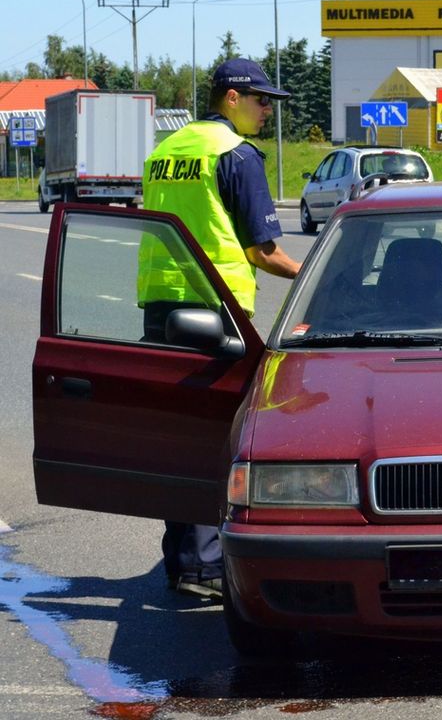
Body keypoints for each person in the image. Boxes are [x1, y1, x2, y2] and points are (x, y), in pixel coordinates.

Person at [140, 57, 302, 600]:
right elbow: (264, 249)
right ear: (231, 98)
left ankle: (182, 561)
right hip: (214, 310)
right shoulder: (234, 155)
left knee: (176, 433)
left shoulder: (168, 151)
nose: (266, 113)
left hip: (162, 304)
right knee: (216, 435)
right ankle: (204, 566)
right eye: (261, 102)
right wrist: (318, 274)